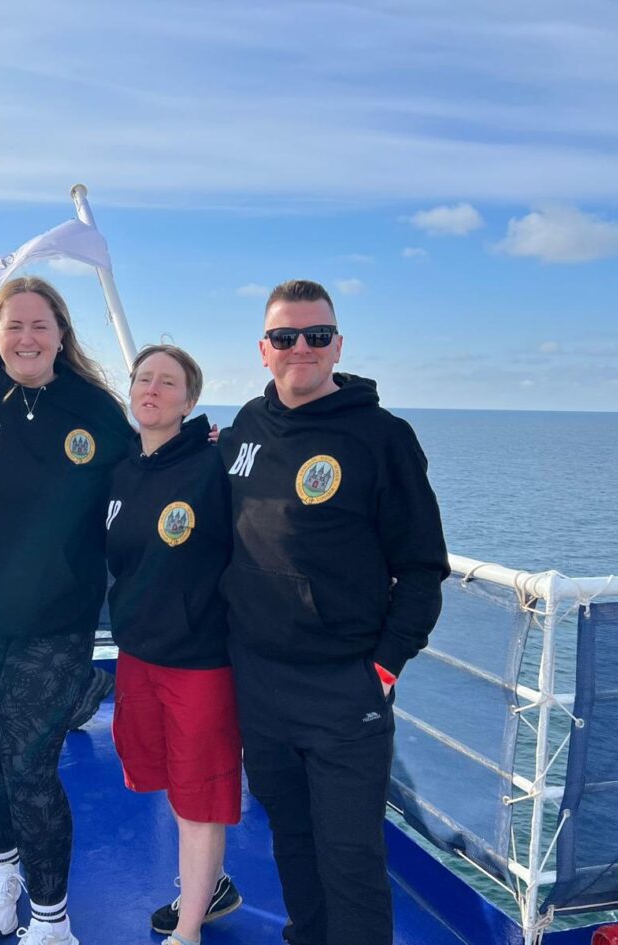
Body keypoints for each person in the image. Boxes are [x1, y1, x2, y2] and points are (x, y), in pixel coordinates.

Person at [218, 280, 449, 945]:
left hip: (346, 686)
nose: (302, 348)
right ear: (264, 350)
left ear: (338, 344)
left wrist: (384, 666)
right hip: (260, 680)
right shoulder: (244, 430)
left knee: (350, 856)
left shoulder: (382, 437)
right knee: (290, 835)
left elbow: (423, 567)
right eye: (285, 337)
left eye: (316, 335)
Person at [0, 276, 132, 945]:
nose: (26, 337)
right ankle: (5, 871)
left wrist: (203, 453)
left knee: (30, 761)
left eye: (39, 325)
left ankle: (51, 918)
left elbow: (145, 477)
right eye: (13, 325)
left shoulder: (96, 408)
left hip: (59, 619)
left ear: (61, 333)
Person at [104, 344, 243, 945]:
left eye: (167, 382)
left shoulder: (217, 463)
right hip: (138, 654)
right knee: (172, 785)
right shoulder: (120, 468)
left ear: (190, 400)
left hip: (201, 662)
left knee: (200, 797)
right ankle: (209, 884)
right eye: (143, 379)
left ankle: (188, 929)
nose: (152, 390)